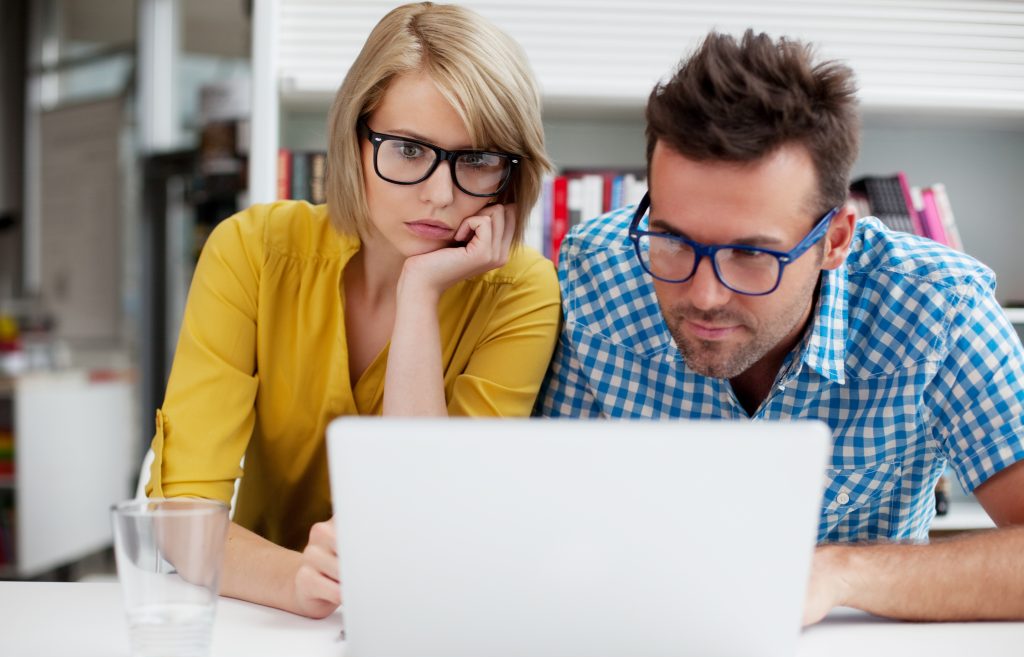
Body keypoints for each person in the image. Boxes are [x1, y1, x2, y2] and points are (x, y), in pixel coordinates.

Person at [537, 30, 1024, 624]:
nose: (703, 296)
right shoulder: (597, 274)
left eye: (752, 254)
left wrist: (838, 572)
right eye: (672, 241)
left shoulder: (938, 308)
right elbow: (547, 519)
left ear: (835, 240)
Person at [146, 2, 560, 619]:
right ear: (355, 140)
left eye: (476, 160)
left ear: (509, 174)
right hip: (252, 616)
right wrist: (295, 580)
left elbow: (431, 533)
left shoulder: (522, 291)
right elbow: (181, 522)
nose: (440, 195)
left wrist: (419, 293)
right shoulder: (252, 253)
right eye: (408, 150)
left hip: (430, 621)